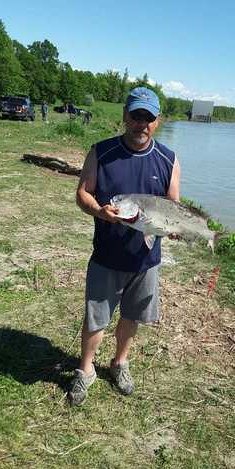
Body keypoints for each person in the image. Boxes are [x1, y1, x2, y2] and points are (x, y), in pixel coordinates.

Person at [68, 86, 180, 406]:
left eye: (148, 117)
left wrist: (173, 228)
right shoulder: (101, 151)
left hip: (145, 260)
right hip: (106, 255)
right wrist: (99, 212)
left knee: (132, 316)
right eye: (136, 116)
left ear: (157, 122)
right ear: (125, 116)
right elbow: (83, 193)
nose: (141, 123)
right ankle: (85, 370)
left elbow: (174, 205)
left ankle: (120, 363)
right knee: (95, 318)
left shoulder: (168, 159)